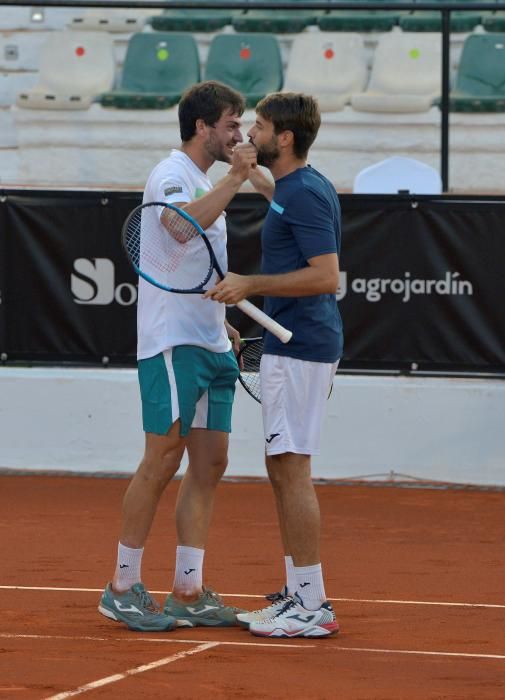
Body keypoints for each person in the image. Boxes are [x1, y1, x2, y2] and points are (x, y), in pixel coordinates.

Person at [98, 80, 258, 632]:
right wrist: (238, 176)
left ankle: (188, 591)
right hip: (171, 343)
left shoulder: (202, 180)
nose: (240, 135)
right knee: (163, 458)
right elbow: (175, 226)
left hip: (211, 341)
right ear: (202, 128)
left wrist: (225, 324)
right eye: (232, 125)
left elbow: (197, 267)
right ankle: (122, 585)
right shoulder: (171, 174)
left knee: (210, 463)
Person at [205, 92, 343, 638]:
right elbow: (272, 193)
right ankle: (298, 592)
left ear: (283, 138)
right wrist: (245, 175)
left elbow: (326, 276)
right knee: (282, 467)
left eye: (258, 128)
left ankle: (311, 604)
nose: (248, 135)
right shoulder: (294, 186)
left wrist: (250, 284)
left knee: (291, 469)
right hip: (297, 344)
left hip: (302, 344)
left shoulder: (305, 194)